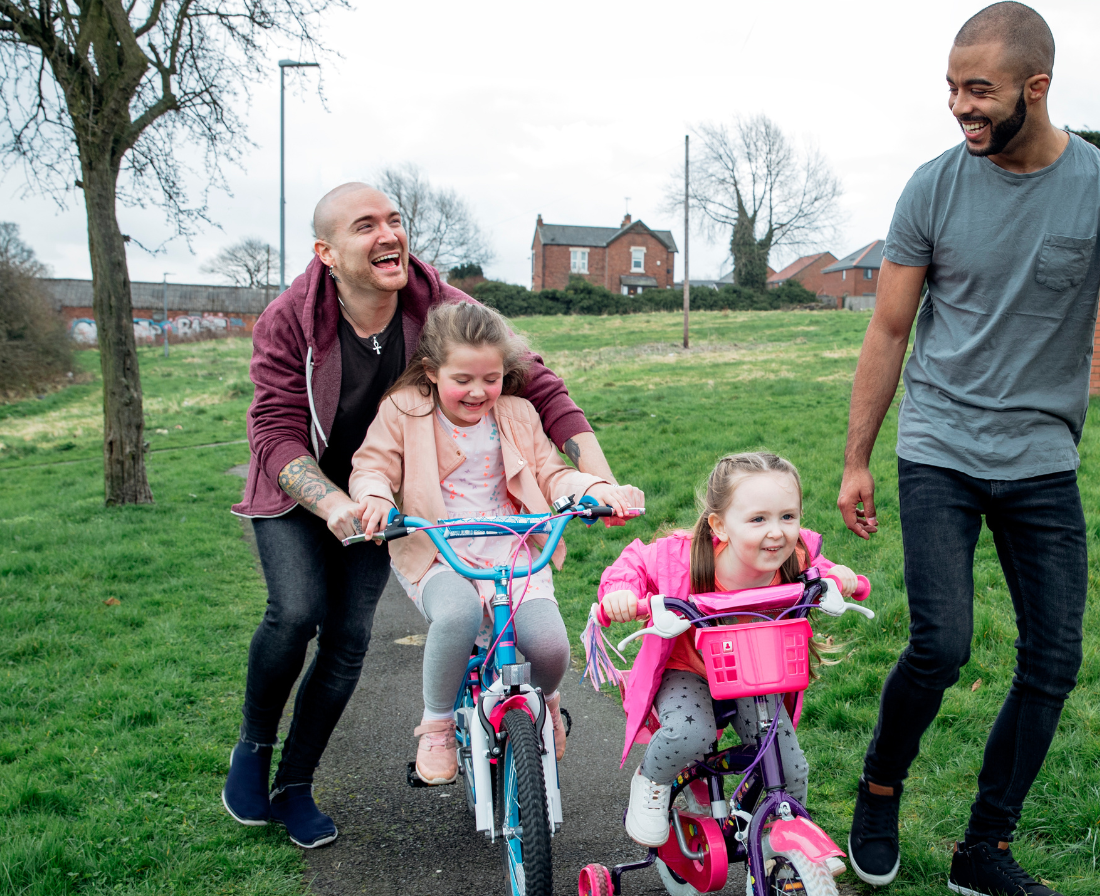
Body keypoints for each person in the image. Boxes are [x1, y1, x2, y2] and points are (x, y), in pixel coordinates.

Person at [835, 4, 1100, 896]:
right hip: (941, 443)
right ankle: (879, 790)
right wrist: (857, 458)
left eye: (978, 90)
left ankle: (983, 850)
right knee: (942, 644)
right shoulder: (933, 187)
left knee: (1054, 661)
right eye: (952, 88)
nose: (960, 106)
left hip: (1040, 455)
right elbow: (888, 328)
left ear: (1037, 87)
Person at [225, 182, 623, 848]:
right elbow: (272, 428)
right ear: (326, 252)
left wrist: (600, 481)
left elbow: (536, 381)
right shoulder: (290, 318)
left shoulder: (441, 306)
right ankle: (254, 744)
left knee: (349, 638)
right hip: (310, 487)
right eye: (365, 226)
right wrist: (335, 503)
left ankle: (294, 786)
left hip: (403, 494)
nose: (389, 235)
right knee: (295, 613)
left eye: (395, 220)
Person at [348, 302, 643, 784]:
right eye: (462, 379)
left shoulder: (517, 414)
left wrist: (591, 489)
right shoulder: (404, 411)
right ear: (431, 371)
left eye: (491, 378)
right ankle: (438, 725)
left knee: (548, 647)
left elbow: (552, 472)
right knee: (458, 615)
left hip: (512, 543)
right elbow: (373, 467)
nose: (478, 391)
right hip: (438, 544)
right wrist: (376, 497)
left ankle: (545, 702)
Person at [596, 451, 862, 850]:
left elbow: (821, 569)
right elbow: (634, 563)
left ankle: (783, 854)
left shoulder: (795, 557)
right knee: (690, 733)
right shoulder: (683, 557)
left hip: (755, 668)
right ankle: (651, 781)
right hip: (689, 667)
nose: (777, 532)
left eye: (788, 516)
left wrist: (841, 578)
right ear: (719, 525)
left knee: (791, 769)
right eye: (758, 519)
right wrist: (620, 593)